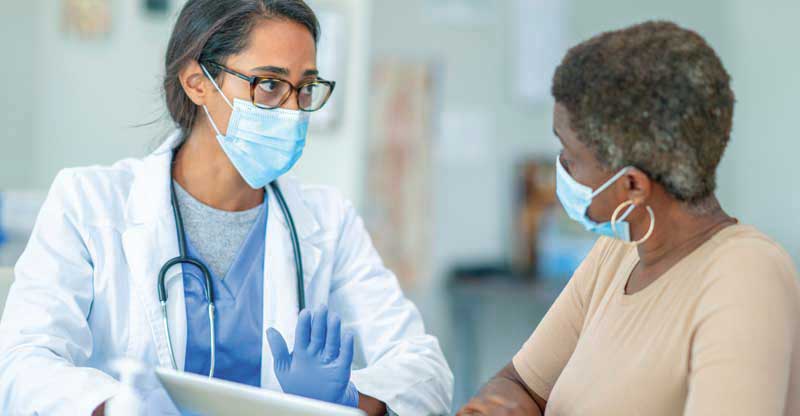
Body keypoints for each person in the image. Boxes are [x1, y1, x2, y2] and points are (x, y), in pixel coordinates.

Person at [0, 1, 453, 415]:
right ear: (197, 82)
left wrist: (346, 400)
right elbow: (23, 363)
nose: (293, 109)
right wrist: (116, 407)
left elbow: (425, 369)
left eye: (307, 88)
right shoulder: (89, 203)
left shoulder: (327, 219)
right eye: (270, 85)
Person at [459, 21, 799, 416]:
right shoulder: (617, 254)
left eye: (569, 156)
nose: (562, 170)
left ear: (633, 186)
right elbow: (520, 383)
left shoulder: (746, 278)